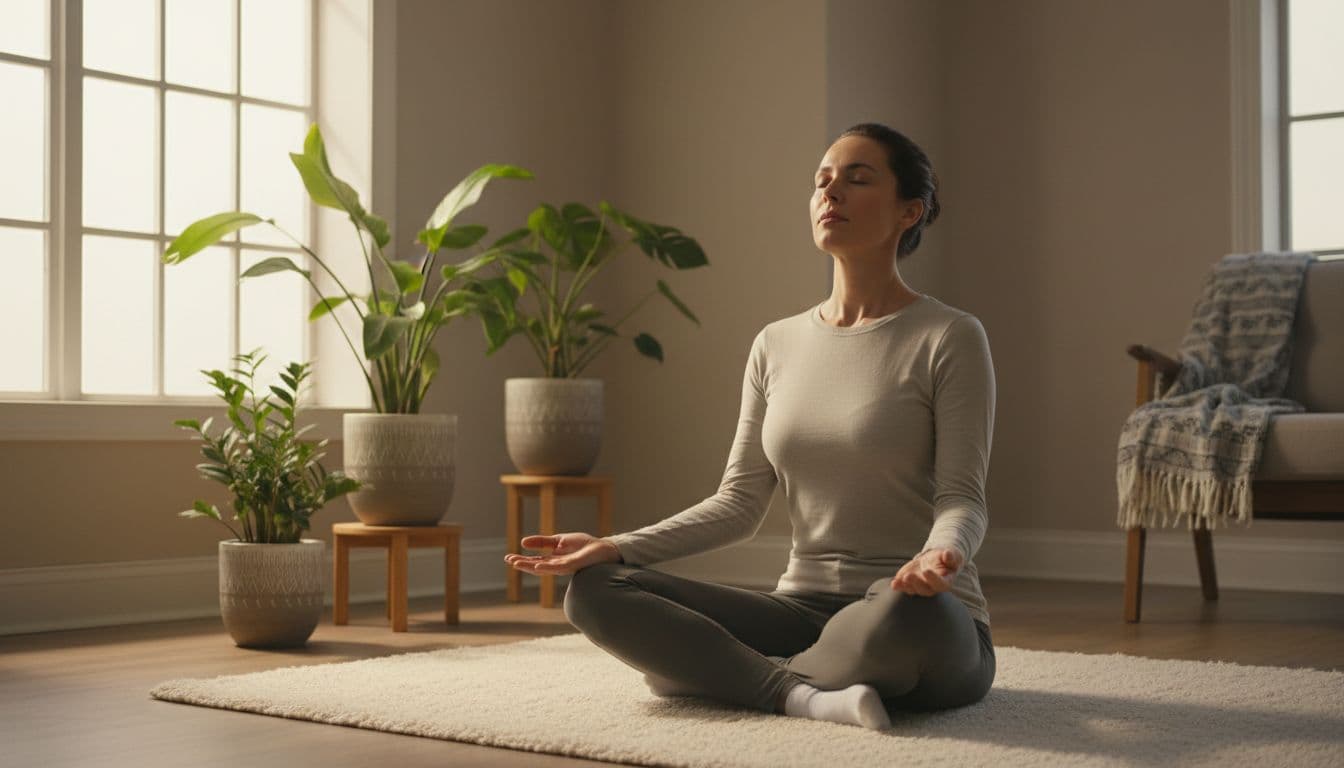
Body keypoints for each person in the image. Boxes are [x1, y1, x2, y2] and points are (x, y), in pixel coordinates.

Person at [503, 123, 996, 731]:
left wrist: (938, 556)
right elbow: (738, 503)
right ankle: (800, 694)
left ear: (908, 211)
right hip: (799, 609)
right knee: (595, 589)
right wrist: (617, 545)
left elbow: (962, 499)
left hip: (910, 609)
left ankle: (718, 673)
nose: (830, 192)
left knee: (905, 615)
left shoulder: (948, 336)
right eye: (822, 181)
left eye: (857, 178)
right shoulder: (776, 344)